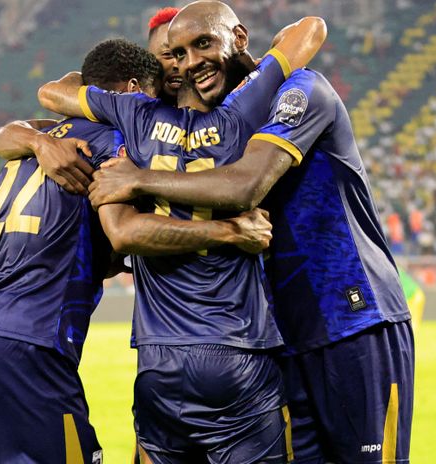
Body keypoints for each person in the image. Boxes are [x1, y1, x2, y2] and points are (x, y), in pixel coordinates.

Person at [85, 2, 414, 462]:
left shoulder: (302, 89)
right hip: (277, 339)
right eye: (177, 57)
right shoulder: (220, 125)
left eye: (202, 45)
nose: (187, 67)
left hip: (350, 319)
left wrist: (138, 180)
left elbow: (246, 185)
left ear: (238, 38)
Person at [0, 39, 273, 464]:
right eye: (152, 96)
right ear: (134, 89)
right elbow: (124, 231)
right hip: (32, 339)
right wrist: (229, 231)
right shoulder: (112, 140)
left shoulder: (42, 138)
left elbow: (5, 135)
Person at [33, 14, 326, 462]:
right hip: (236, 350)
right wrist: (252, 61)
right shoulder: (242, 112)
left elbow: (52, 92)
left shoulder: (132, 114)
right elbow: (310, 29)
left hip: (158, 361)